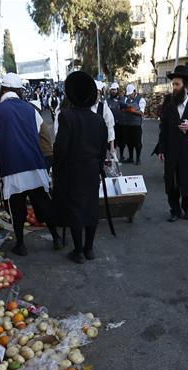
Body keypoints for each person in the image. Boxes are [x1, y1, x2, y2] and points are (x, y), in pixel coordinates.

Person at [0, 72, 61, 254]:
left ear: (3, 90)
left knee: (16, 206)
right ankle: (57, 238)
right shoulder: (31, 109)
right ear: (19, 91)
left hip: (12, 167)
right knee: (43, 202)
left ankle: (21, 244)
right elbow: (38, 131)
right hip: (35, 163)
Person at [52, 71, 109, 263]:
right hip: (92, 170)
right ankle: (89, 249)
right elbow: (103, 149)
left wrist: (57, 168)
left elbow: (60, 148)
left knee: (75, 209)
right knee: (91, 207)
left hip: (72, 171)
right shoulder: (98, 120)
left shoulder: (67, 117)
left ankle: (78, 251)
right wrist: (98, 165)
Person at [153, 65, 188, 222]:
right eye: (173, 84)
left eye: (177, 84)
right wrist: (161, 149)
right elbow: (163, 129)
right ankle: (174, 210)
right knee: (171, 182)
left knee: (187, 180)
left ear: (185, 86)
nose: (174, 87)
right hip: (171, 150)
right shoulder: (168, 106)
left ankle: (187, 207)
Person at [121, 84, 146, 164]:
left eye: (130, 94)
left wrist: (133, 111)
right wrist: (124, 109)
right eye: (128, 94)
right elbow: (124, 109)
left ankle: (138, 158)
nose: (129, 96)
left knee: (137, 143)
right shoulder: (126, 100)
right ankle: (131, 157)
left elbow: (142, 113)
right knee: (129, 142)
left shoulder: (141, 100)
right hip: (128, 124)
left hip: (136, 125)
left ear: (135, 91)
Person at [94, 80, 117, 154]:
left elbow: (110, 126)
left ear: (100, 94)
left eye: (97, 94)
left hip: (100, 141)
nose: (96, 96)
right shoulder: (84, 107)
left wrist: (112, 145)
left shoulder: (103, 107)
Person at [108, 82, 127, 162]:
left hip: (121, 123)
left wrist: (120, 100)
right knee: (112, 141)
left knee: (122, 141)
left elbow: (125, 106)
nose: (113, 91)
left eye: (114, 90)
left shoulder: (122, 99)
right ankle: (112, 156)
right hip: (112, 124)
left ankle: (122, 156)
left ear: (117, 90)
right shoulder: (107, 100)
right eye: (112, 90)